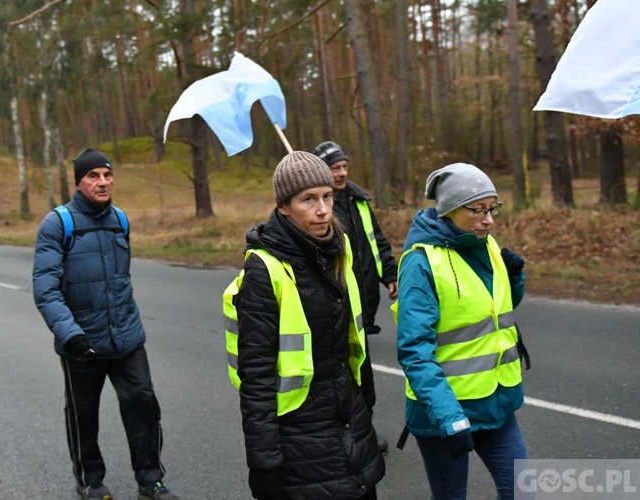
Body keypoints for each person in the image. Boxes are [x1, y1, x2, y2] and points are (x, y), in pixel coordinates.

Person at [223, 151, 385, 499]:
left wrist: (365, 404)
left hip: (348, 418)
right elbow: (256, 374)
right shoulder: (264, 271)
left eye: (326, 196)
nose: (323, 209)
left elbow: (354, 343)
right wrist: (264, 457)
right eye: (308, 199)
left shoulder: (338, 252)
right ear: (284, 207)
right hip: (297, 432)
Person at [32, 147, 179, 500]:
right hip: (82, 343)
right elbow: (45, 289)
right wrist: (70, 334)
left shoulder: (120, 220)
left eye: (107, 175)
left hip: (126, 337)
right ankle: (90, 480)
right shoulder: (58, 224)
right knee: (84, 414)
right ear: (79, 182)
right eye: (93, 176)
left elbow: (119, 279)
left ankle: (150, 481)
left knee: (143, 403)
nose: (103, 182)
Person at [392, 163, 528, 499]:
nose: (489, 219)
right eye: (478, 210)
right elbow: (414, 350)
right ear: (451, 210)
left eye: (492, 208)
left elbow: (497, 311)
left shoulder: (487, 244)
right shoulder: (420, 262)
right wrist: (449, 419)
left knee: (522, 491)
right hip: (445, 414)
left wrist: (514, 278)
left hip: (495, 401)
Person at [312, 140, 398, 451]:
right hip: (336, 305)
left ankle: (362, 434)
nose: (342, 172)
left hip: (363, 303)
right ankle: (346, 439)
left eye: (344, 166)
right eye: (335, 168)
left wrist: (389, 273)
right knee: (342, 376)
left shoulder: (358, 201)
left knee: (363, 375)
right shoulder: (320, 208)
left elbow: (376, 242)